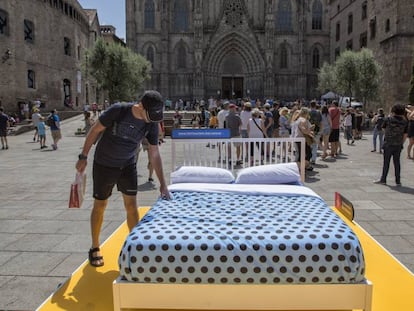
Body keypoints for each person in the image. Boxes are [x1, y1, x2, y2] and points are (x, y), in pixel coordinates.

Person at [75, 90, 170, 267]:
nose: (152, 119)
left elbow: (154, 153)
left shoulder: (151, 123)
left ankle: (135, 248)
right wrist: (83, 156)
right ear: (140, 105)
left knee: (132, 207)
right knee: (100, 204)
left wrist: (163, 184)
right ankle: (95, 247)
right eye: (150, 114)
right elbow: (95, 130)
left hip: (127, 164)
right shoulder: (119, 110)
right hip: (104, 163)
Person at [373, 104, 408, 186]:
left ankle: (383, 179)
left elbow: (383, 128)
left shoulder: (388, 119)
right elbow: (405, 135)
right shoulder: (404, 122)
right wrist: (401, 143)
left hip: (388, 143)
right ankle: (398, 181)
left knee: (386, 162)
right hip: (398, 144)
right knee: (397, 162)